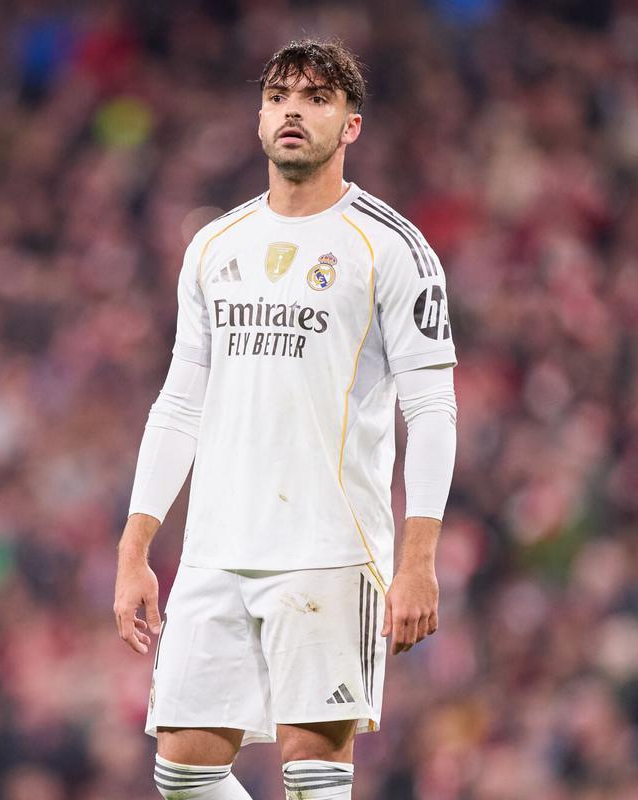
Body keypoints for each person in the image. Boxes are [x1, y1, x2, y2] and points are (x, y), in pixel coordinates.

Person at [113, 39, 458, 799]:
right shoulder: (214, 246)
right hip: (215, 546)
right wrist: (137, 545)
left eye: (315, 97)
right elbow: (180, 400)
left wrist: (419, 557)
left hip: (327, 545)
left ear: (351, 125)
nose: (293, 110)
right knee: (183, 772)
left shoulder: (393, 247)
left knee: (311, 775)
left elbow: (431, 409)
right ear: (259, 118)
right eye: (278, 96)